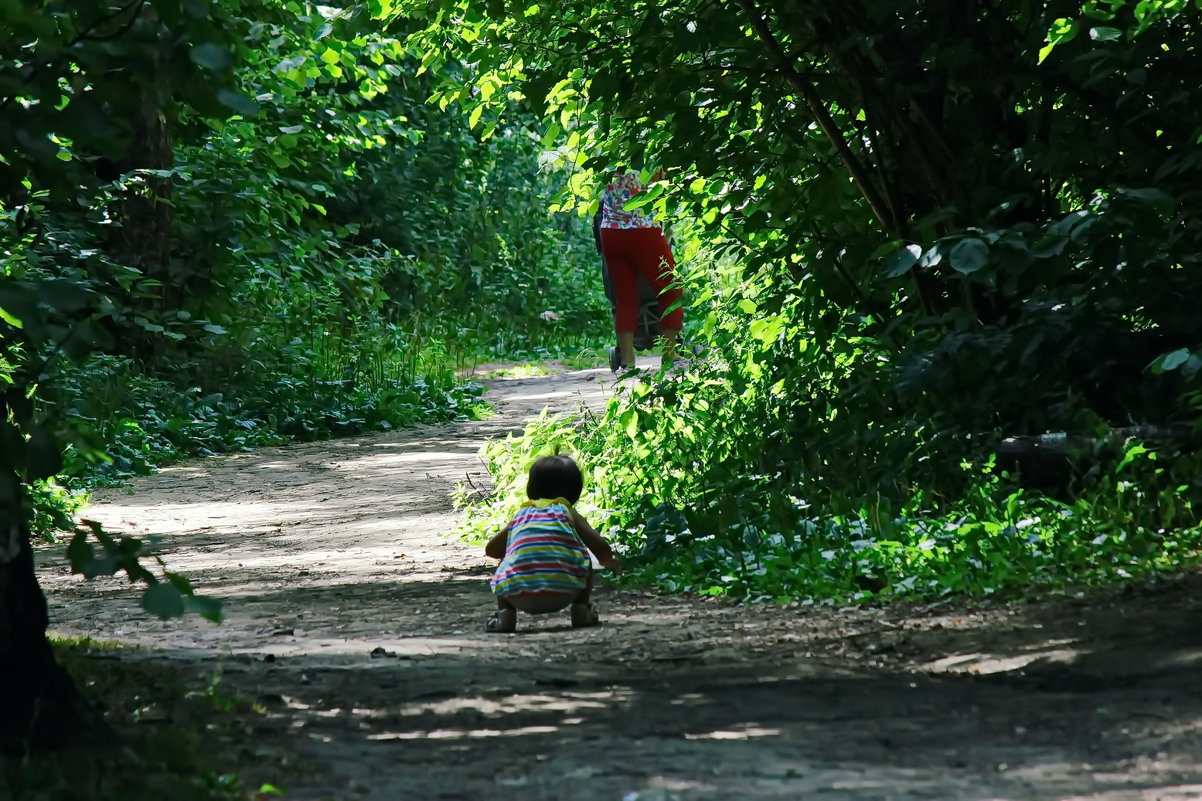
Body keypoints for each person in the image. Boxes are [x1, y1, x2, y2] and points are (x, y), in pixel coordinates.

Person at [484, 454, 621, 633]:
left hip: (518, 595)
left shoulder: (521, 516)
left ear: (530, 489)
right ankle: (581, 610)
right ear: (575, 492)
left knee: (505, 560)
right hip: (565, 592)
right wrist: (608, 560)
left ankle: (505, 614)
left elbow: (492, 550)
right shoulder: (567, 513)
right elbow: (600, 548)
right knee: (583, 556)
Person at [598, 168, 683, 368]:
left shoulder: (605, 150)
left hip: (610, 232)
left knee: (625, 299)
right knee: (670, 289)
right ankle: (669, 354)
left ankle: (627, 360)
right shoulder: (643, 150)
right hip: (642, 230)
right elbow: (661, 181)